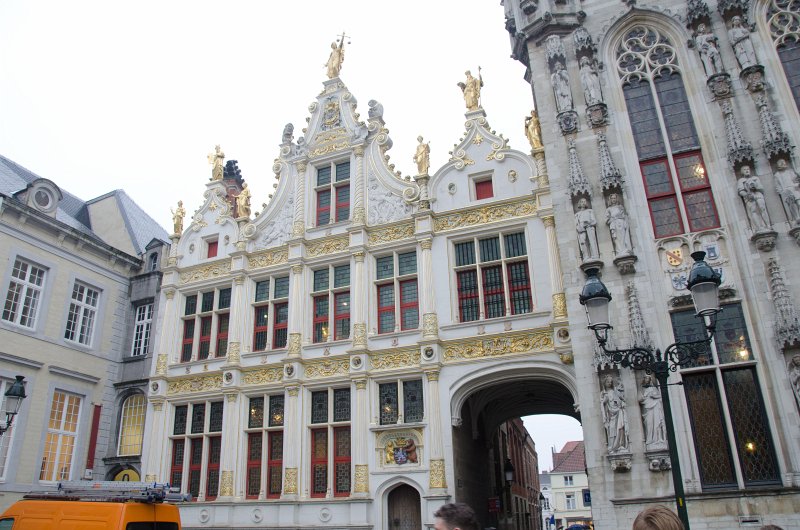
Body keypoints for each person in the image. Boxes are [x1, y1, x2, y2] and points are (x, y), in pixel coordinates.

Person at [600, 374, 628, 454]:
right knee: (612, 429)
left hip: (618, 411)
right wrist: (604, 401)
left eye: (611, 382)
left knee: (620, 427)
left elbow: (623, 399)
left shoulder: (615, 391)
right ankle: (612, 447)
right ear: (605, 383)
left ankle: (620, 445)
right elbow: (602, 403)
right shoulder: (603, 393)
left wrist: (621, 401)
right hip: (610, 414)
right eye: (608, 382)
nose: (609, 383)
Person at [737, 165, 770, 231]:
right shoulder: (741, 180)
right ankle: (759, 228)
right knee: (753, 211)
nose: (747, 171)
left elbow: (761, 188)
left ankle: (768, 225)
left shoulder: (755, 178)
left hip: (758, 194)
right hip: (749, 197)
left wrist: (756, 187)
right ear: (742, 172)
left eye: (748, 169)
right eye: (745, 170)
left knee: (762, 208)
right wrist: (747, 195)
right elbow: (740, 191)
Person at [639, 374, 667, 451]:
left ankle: (658, 439)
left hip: (655, 407)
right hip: (647, 408)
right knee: (649, 423)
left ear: (650, 379)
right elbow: (640, 399)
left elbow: (659, 397)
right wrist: (642, 399)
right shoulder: (642, 389)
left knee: (657, 423)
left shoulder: (654, 388)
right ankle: (650, 440)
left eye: (648, 378)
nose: (646, 379)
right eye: (645, 378)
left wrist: (654, 397)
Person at [774, 158, 800, 226]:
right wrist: (783, 192)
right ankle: (797, 218)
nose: (783, 164)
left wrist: (797, 183)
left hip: (794, 188)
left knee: (799, 202)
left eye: (784, 162)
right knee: (792, 204)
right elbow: (778, 186)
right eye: (781, 163)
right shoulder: (777, 175)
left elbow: (796, 180)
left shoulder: (790, 171)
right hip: (786, 191)